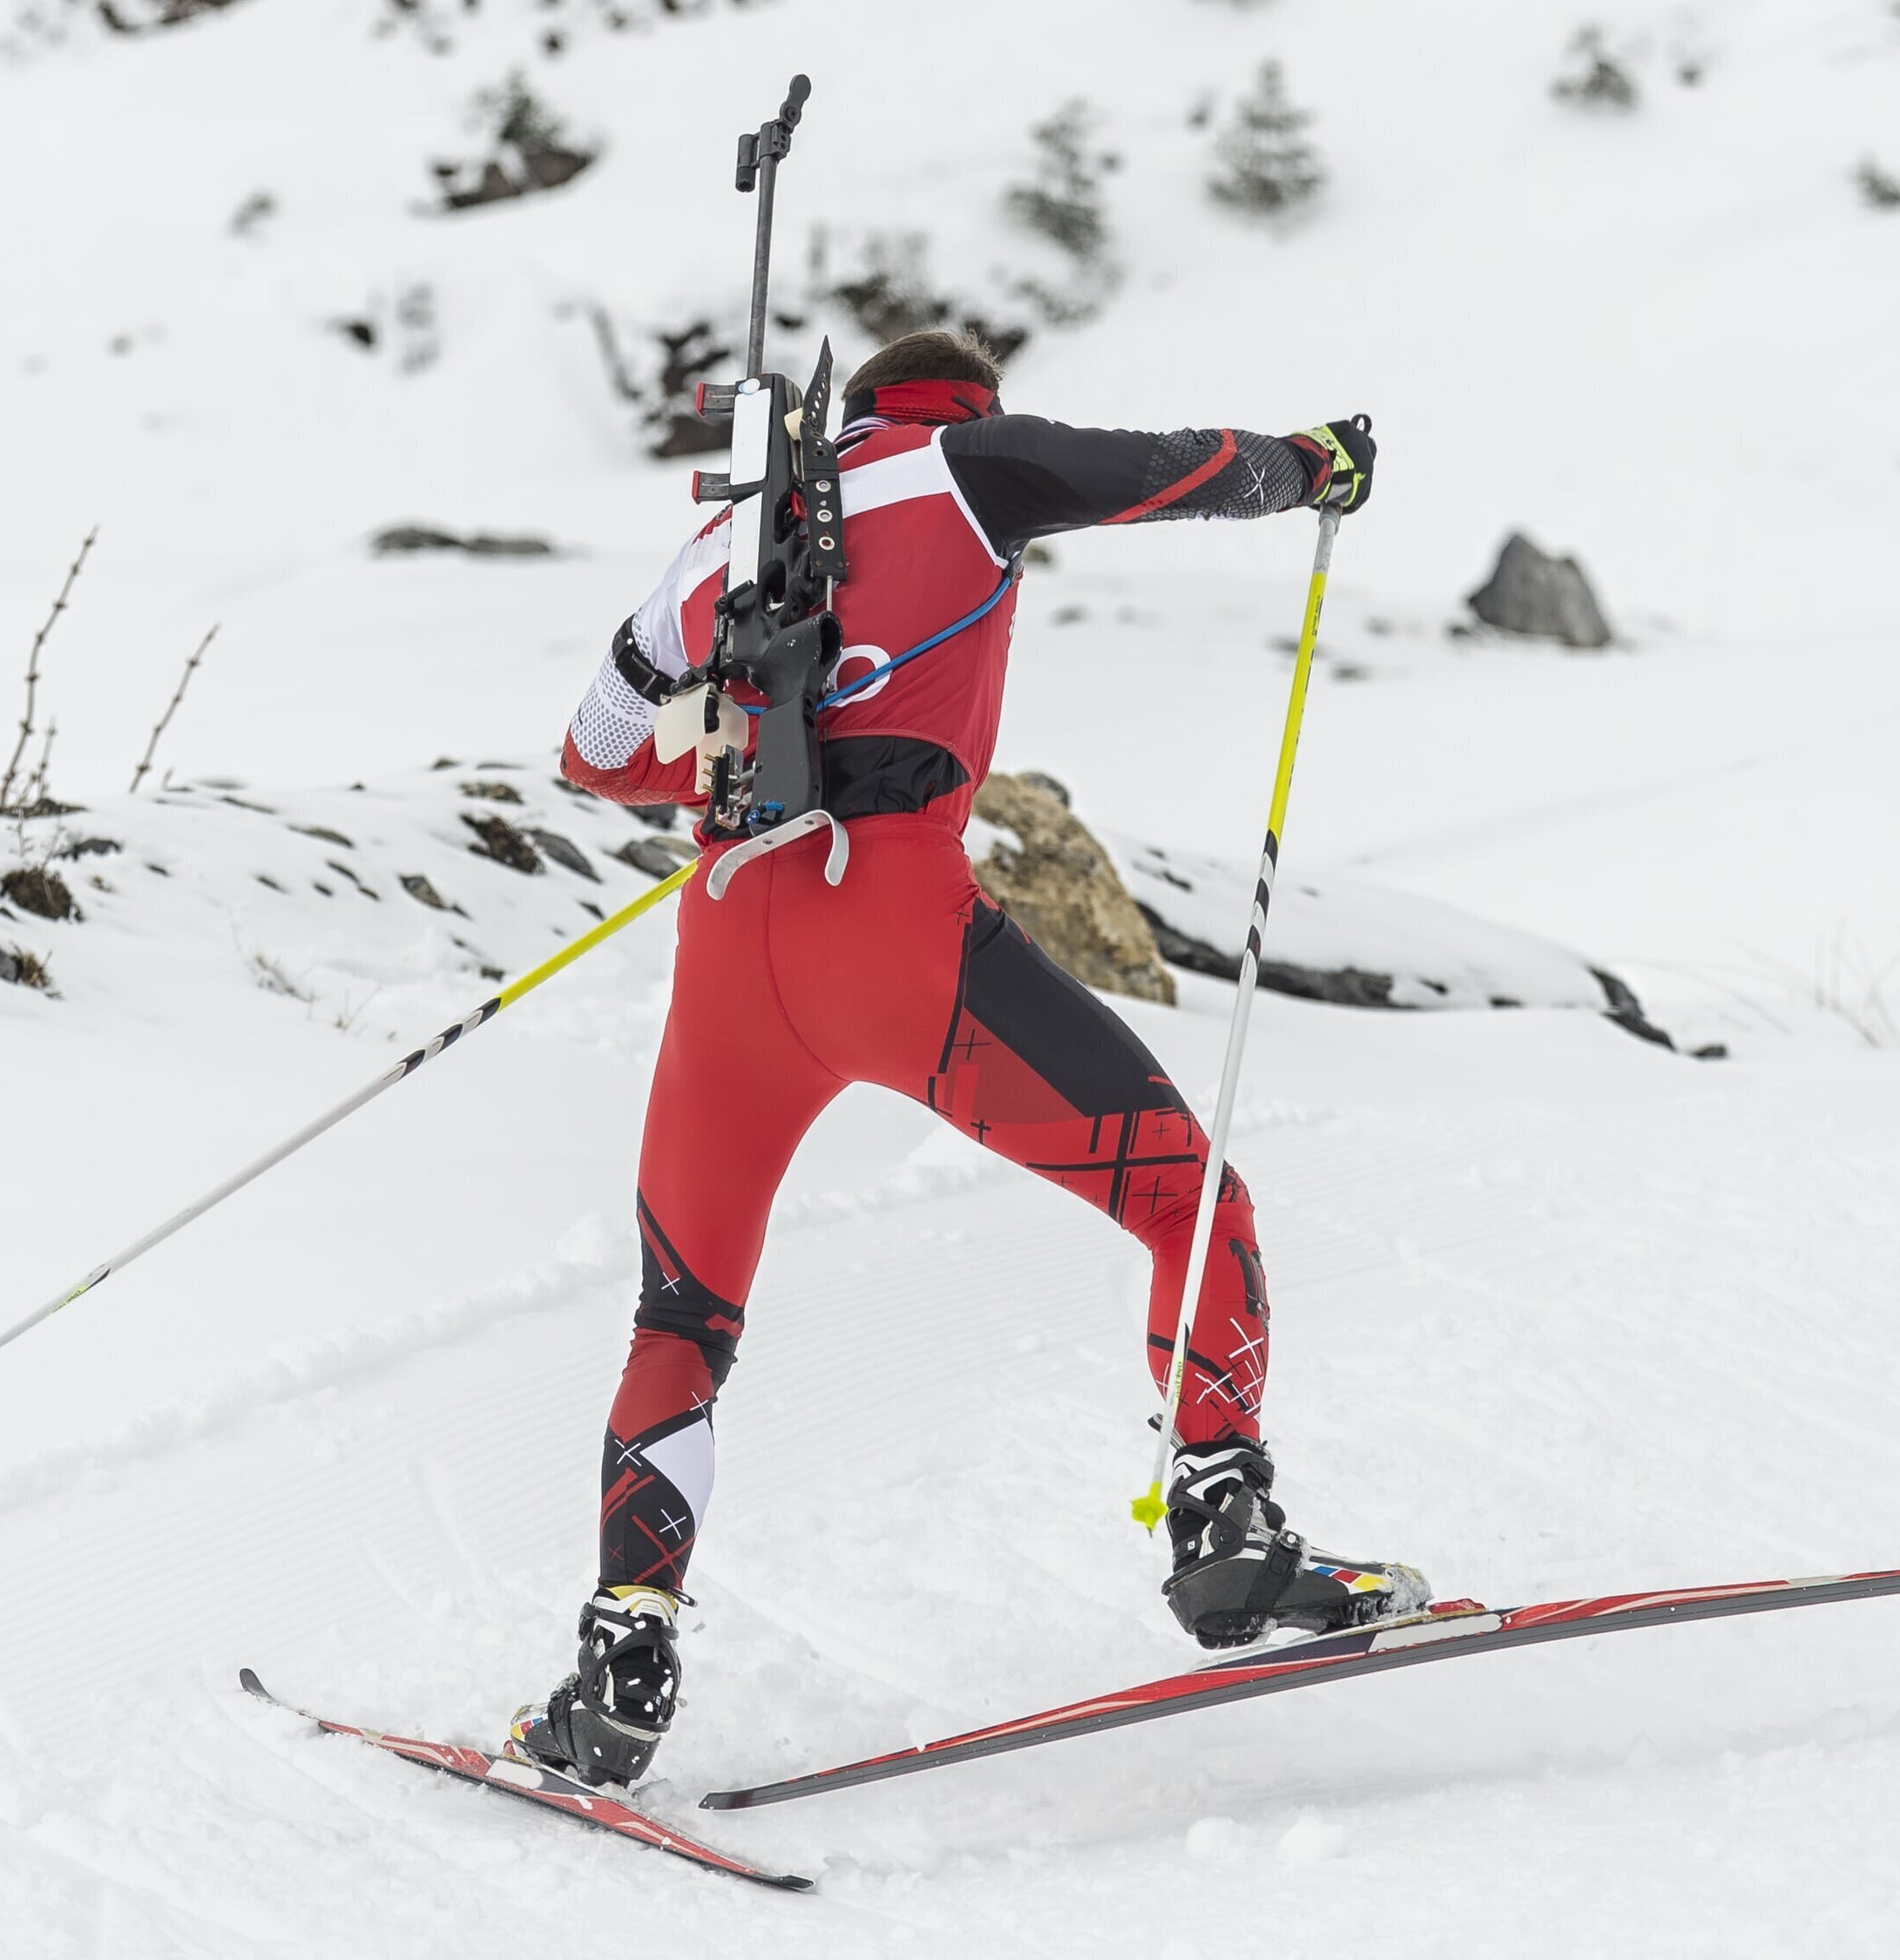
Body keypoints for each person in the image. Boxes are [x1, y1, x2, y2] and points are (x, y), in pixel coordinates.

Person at [505, 328, 1419, 1788]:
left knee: (681, 1317)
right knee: (1192, 1198)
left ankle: (625, 1649)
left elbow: (594, 749)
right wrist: (1318, 465)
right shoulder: (972, 462)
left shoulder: (727, 537)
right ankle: (1224, 1526)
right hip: (899, 937)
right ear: (965, 399)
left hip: (733, 953)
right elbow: (1171, 475)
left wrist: (743, 739)